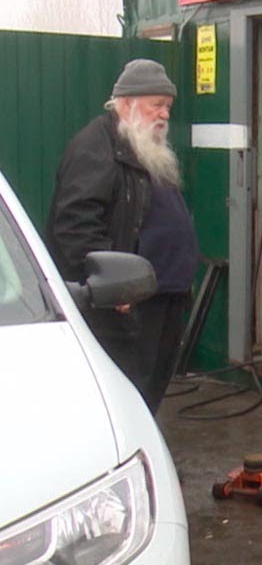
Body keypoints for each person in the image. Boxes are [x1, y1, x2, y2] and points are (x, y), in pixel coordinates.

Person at [46, 58, 199, 413]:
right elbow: (75, 224)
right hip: (126, 306)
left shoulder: (144, 146)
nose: (163, 115)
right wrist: (111, 286)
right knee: (128, 398)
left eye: (168, 107)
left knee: (151, 393)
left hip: (163, 298)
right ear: (126, 103)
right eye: (156, 105)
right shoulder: (95, 147)